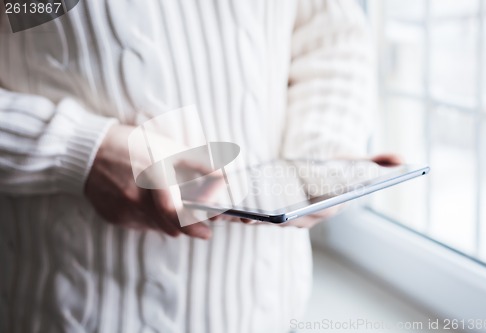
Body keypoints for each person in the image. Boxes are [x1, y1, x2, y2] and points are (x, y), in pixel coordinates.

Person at [0, 0, 377, 332]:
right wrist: (81, 151)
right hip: (74, 314)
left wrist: (319, 151)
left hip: (276, 308)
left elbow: (330, 35)